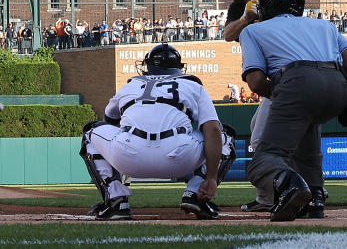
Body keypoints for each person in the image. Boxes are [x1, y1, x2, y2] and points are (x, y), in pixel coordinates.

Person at [239, 0, 347, 222]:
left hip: (295, 80)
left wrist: (287, 94)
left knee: (262, 161)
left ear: (265, 9)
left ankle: (291, 186)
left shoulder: (252, 30)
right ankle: (316, 197)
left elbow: (255, 82)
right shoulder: (325, 25)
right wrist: (328, 83)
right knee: (308, 147)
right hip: (338, 84)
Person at [79, 43, 236, 220]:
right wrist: (212, 177)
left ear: (148, 66)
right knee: (225, 135)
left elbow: (109, 119)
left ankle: (116, 201)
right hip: (179, 156)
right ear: (179, 68)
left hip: (129, 155)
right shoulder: (193, 85)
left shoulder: (131, 84)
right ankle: (195, 194)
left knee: (90, 133)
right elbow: (213, 130)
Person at [217, 0, 272, 213]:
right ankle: (306, 191)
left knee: (261, 137)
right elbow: (228, 34)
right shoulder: (240, 6)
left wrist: (263, 13)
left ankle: (269, 197)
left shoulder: (271, 0)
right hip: (272, 84)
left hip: (278, 78)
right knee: (256, 129)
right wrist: (246, 17)